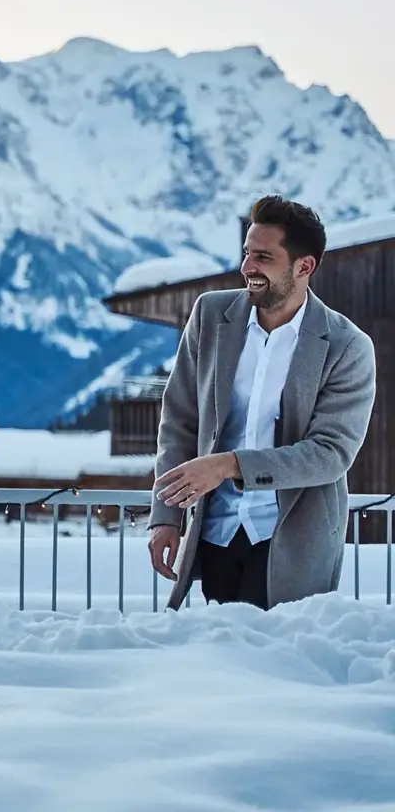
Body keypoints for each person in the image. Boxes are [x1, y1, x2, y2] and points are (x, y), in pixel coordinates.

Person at [147, 195, 376, 610]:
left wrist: (230, 465)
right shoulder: (210, 316)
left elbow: (330, 454)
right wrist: (166, 515)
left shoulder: (347, 346)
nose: (247, 268)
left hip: (292, 539)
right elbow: (179, 420)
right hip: (214, 532)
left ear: (303, 267)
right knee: (215, 663)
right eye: (247, 253)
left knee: (278, 665)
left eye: (264, 257)